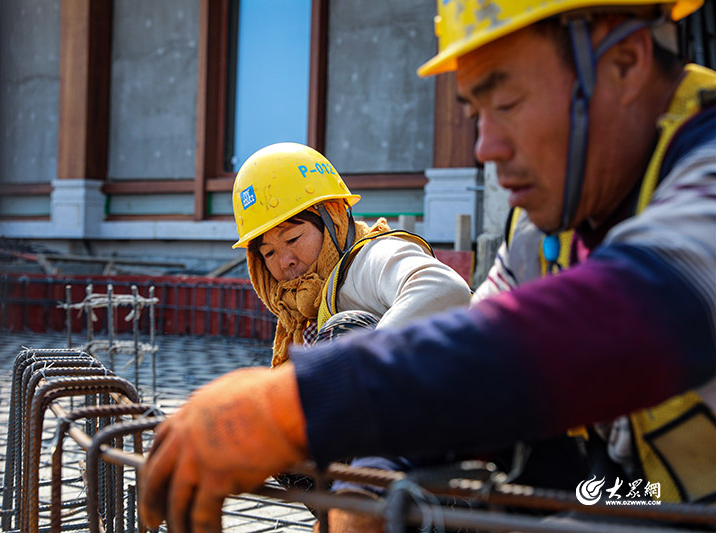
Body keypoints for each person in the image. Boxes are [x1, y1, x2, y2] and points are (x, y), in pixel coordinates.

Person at [140, 1, 716, 531]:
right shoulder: (547, 227)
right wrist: (370, 478)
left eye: (507, 102)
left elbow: (634, 309)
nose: (484, 147)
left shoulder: (704, 182)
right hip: (624, 491)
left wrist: (299, 403)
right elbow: (475, 354)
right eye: (474, 113)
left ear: (624, 63)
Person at [231, 142, 471, 368]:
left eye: (293, 239)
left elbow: (444, 287)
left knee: (344, 331)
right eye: (269, 252)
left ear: (333, 221)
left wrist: (369, 367)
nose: (285, 261)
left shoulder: (372, 258)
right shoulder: (301, 308)